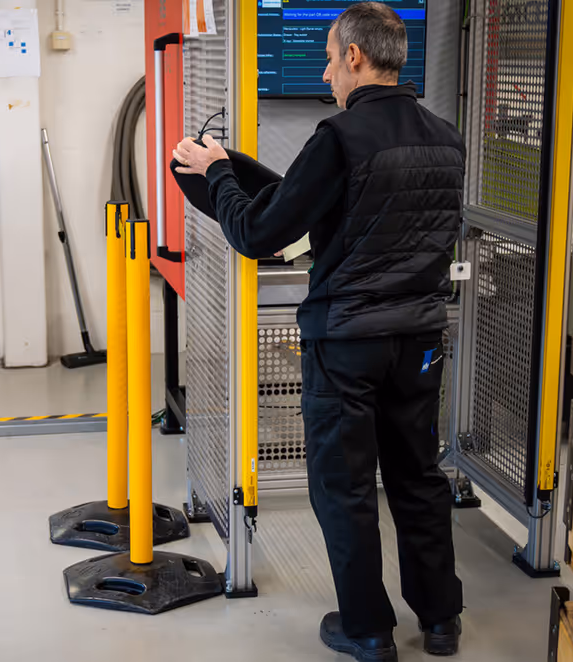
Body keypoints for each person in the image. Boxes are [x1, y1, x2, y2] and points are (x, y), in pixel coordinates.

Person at [171, 4, 463, 661]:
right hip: (419, 340)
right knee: (418, 477)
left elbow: (257, 234)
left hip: (347, 343)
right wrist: (236, 166)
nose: (328, 73)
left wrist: (216, 173)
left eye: (331, 59)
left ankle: (367, 629)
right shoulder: (446, 137)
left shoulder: (340, 136)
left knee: (346, 485)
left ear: (356, 58)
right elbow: (341, 208)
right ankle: (442, 621)